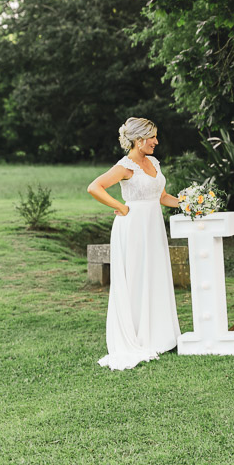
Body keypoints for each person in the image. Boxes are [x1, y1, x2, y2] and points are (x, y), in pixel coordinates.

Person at [87, 117, 182, 370]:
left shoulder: (153, 162)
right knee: (138, 277)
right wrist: (120, 206)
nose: (156, 142)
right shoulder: (125, 166)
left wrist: (188, 203)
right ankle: (139, 336)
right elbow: (94, 187)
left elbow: (161, 197)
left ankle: (160, 335)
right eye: (152, 138)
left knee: (156, 275)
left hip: (153, 227)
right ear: (139, 140)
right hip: (133, 228)